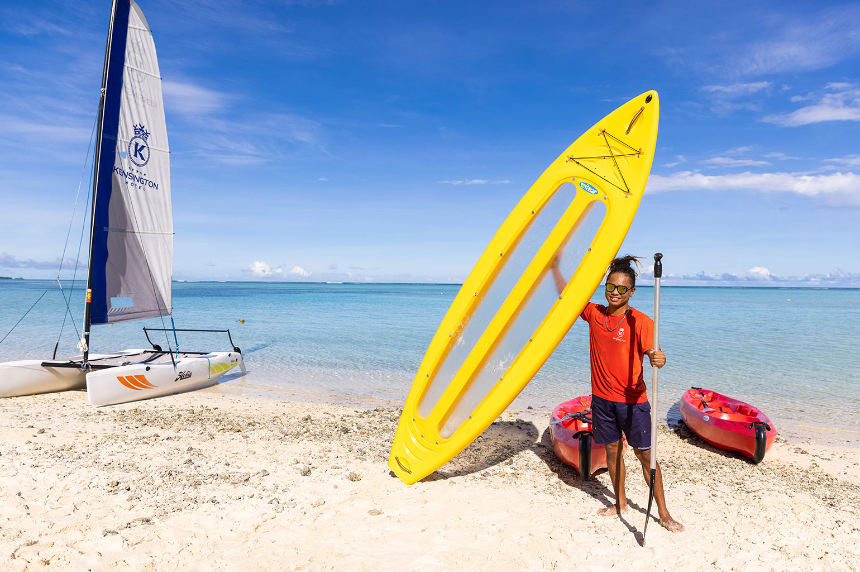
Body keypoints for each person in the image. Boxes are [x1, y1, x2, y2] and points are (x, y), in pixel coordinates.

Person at [552, 254, 683, 533]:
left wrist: (658, 359)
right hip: (602, 401)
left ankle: (663, 512)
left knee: (646, 456)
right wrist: (554, 267)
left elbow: (653, 354)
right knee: (613, 453)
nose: (615, 292)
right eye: (611, 286)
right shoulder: (594, 314)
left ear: (631, 292)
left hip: (633, 402)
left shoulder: (641, 322)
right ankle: (620, 503)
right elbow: (567, 293)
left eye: (622, 288)